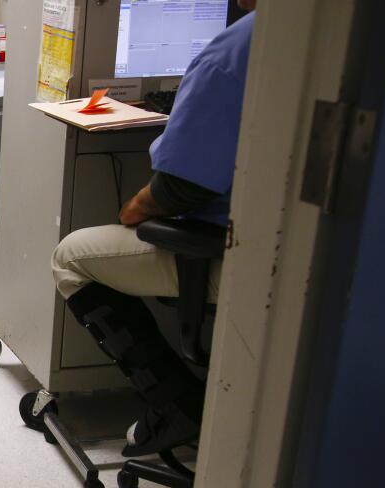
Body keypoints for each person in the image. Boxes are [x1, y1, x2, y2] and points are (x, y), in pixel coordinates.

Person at [51, 2, 257, 456]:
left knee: (70, 255)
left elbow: (180, 188)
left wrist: (133, 208)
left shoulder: (233, 52)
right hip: (311, 260)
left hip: (231, 253)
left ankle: (176, 402)